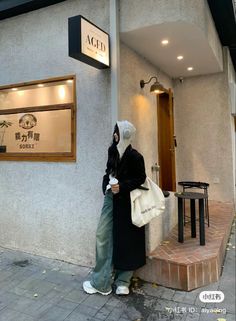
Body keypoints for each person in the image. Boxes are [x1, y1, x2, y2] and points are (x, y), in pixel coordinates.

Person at [83, 120, 146, 296]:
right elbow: (107, 172)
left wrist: (123, 186)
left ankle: (123, 281)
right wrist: (106, 187)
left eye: (117, 131)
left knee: (126, 239)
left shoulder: (135, 156)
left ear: (125, 134)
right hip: (111, 199)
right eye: (114, 131)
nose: (114, 135)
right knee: (102, 236)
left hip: (128, 202)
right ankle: (101, 282)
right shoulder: (112, 151)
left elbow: (140, 178)